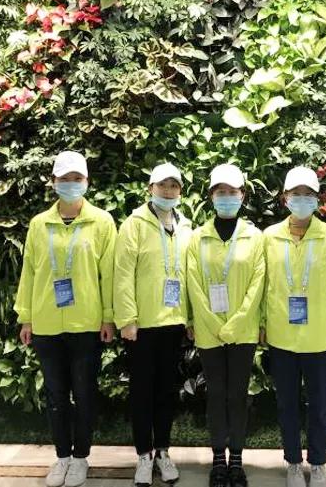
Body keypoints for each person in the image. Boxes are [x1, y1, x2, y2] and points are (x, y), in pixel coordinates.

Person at [14, 150, 117, 487]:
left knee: (85, 393)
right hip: (46, 323)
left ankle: (81, 458)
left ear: (86, 182)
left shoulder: (102, 222)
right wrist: (26, 317)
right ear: (53, 182)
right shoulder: (38, 224)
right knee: (56, 396)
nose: (71, 184)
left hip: (86, 323)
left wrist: (108, 317)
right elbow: (29, 272)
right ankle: (61, 458)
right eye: (64, 179)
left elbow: (108, 274)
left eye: (77, 178)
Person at [261, 167, 326, 487]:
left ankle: (317, 464)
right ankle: (292, 463)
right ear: (285, 198)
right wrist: (262, 322)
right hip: (281, 337)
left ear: (317, 199)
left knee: (319, 406)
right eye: (296, 194)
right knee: (286, 405)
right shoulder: (269, 237)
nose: (302, 199)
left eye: (308, 194)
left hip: (320, 337)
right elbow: (263, 284)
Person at [114, 162, 194, 487]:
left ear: (180, 191)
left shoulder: (186, 226)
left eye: (174, 186)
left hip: (174, 324)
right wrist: (127, 319)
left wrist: (190, 318)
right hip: (142, 327)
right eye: (162, 185)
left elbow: (191, 276)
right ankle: (144, 456)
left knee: (166, 392)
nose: (168, 191)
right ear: (151, 188)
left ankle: (162, 450)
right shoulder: (134, 225)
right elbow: (122, 275)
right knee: (142, 393)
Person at [186, 164, 265, 487]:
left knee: (237, 395)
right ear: (211, 196)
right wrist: (211, 321)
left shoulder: (255, 237)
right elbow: (193, 284)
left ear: (242, 195)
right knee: (216, 395)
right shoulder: (198, 238)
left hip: (243, 331)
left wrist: (235, 323)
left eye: (233, 192)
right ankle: (218, 458)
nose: (227, 197)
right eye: (221, 192)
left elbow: (258, 284)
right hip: (209, 332)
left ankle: (237, 460)